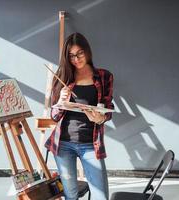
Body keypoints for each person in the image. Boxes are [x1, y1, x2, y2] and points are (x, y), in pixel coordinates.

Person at [45, 32, 114, 200]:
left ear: (87, 51)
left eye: (79, 53)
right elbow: (54, 116)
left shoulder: (104, 76)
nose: (76, 59)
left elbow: (108, 107)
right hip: (63, 145)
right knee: (71, 195)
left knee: (101, 196)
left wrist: (101, 118)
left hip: (91, 144)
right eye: (71, 56)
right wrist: (61, 101)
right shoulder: (62, 77)